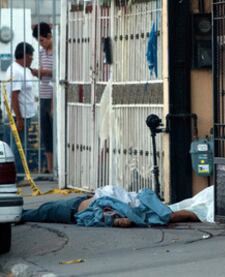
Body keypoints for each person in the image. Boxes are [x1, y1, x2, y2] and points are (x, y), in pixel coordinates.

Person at [21, 186, 200, 228]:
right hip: (80, 205)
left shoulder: (147, 214)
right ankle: (14, 215)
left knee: (43, 211)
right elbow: (170, 215)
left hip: (76, 208)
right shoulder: (150, 210)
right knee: (43, 210)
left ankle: (14, 215)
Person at [6, 42, 37, 175]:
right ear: (24, 55)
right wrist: (18, 118)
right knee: (17, 147)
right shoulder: (16, 71)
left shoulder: (22, 69)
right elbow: (14, 96)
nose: (32, 59)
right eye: (31, 56)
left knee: (21, 146)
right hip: (19, 116)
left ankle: (19, 174)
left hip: (25, 115)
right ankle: (17, 175)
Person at [31, 22, 54, 175]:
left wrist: (43, 72)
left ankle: (58, 166)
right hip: (43, 95)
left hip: (54, 97)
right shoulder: (40, 53)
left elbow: (58, 72)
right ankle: (49, 167)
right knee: (46, 133)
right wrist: (37, 72)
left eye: (42, 40)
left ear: (49, 36)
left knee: (55, 132)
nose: (41, 44)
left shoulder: (57, 52)